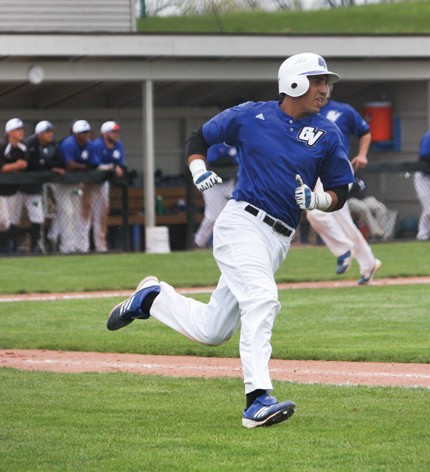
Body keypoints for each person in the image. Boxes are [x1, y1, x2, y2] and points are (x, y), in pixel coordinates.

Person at [107, 52, 354, 428]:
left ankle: (153, 298)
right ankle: (257, 399)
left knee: (213, 329)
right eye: (316, 80)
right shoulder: (251, 115)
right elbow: (199, 137)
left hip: (278, 240)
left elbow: (340, 189)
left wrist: (319, 200)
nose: (324, 88)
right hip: (242, 224)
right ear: (293, 83)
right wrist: (197, 168)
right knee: (262, 298)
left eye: (326, 82)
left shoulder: (328, 132)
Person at [306, 94, 382, 284]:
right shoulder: (307, 111)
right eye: (316, 84)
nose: (320, 90)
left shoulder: (344, 110)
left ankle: (344, 249)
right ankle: (369, 263)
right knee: (343, 221)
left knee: (316, 212)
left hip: (337, 168)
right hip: (317, 172)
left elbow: (365, 131)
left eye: (323, 84)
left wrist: (363, 154)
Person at [55, 120, 98, 253]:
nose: (86, 135)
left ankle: (75, 246)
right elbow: (69, 165)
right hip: (61, 182)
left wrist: (81, 166)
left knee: (76, 213)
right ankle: (66, 247)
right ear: (76, 134)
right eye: (83, 133)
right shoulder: (68, 143)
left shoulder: (90, 144)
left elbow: (94, 163)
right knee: (67, 213)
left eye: (87, 132)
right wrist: (83, 166)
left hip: (76, 183)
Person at [0, 118, 29, 254]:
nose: (21, 132)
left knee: (13, 221)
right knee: (3, 222)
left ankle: (8, 248)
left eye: (21, 129)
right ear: (9, 132)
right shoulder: (0, 145)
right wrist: (15, 165)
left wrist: (14, 166)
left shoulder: (23, 145)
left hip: (14, 189)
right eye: (17, 130)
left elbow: (25, 164)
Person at [24, 120, 64, 253]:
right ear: (39, 134)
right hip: (25, 186)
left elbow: (59, 163)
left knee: (43, 215)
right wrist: (49, 166)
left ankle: (39, 245)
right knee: (11, 219)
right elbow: (33, 164)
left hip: (42, 187)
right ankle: (17, 247)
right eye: (47, 132)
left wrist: (47, 165)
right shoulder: (30, 144)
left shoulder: (53, 146)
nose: (50, 134)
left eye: (51, 131)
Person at [193, 142, 238, 248]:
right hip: (210, 182)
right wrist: (229, 160)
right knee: (212, 216)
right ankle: (198, 242)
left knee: (228, 214)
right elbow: (212, 160)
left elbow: (238, 161)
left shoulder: (236, 145)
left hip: (227, 183)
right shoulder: (216, 143)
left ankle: (225, 243)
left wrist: (227, 160)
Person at [90, 121, 126, 252]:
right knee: (84, 216)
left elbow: (120, 164)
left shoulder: (118, 145)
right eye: (113, 132)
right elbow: (93, 165)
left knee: (102, 215)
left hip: (103, 184)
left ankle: (101, 246)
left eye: (117, 132)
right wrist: (110, 167)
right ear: (105, 134)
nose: (116, 135)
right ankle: (80, 247)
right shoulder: (96, 145)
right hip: (88, 184)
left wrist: (114, 167)